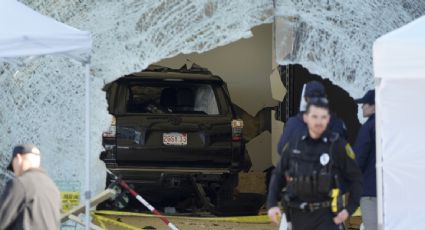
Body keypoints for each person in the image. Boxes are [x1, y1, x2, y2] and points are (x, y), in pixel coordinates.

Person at [267, 99, 362, 230]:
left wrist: (349, 209)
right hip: (298, 215)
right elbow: (278, 175)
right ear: (306, 118)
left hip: (327, 216)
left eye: (323, 117)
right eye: (314, 116)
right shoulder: (294, 143)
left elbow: (355, 178)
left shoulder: (337, 145)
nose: (318, 122)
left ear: (328, 119)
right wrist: (272, 204)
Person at [277, 80, 347, 156]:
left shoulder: (293, 123)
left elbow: (281, 149)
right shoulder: (337, 122)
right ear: (325, 98)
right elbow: (342, 150)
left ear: (305, 99)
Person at [0, 144, 61, 230]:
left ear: (18, 159)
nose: (15, 172)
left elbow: (2, 218)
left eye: (13, 167)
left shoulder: (20, 184)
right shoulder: (53, 188)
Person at [353, 90, 376, 230]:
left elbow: (358, 160)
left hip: (370, 192)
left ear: (374, 106)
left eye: (365, 104)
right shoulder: (390, 126)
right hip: (391, 191)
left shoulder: (368, 128)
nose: (362, 107)